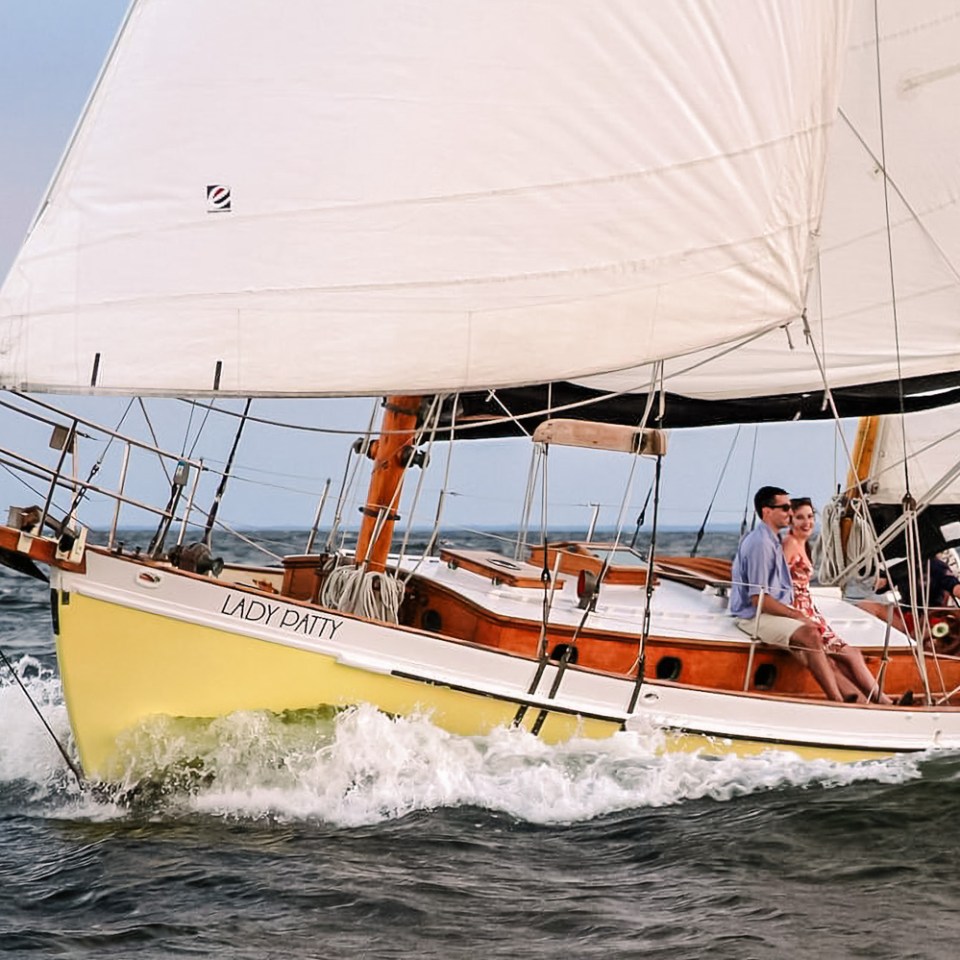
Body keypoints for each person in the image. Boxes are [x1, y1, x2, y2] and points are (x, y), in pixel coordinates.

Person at [730, 486, 845, 702]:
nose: (790, 513)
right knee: (810, 635)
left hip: (769, 612)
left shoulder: (771, 539)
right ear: (767, 512)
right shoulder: (761, 544)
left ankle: (855, 698)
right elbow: (758, 599)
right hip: (752, 616)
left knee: (816, 640)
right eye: (784, 508)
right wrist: (796, 615)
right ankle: (837, 700)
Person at [783, 497, 893, 704]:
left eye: (810, 517)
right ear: (790, 520)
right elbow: (778, 581)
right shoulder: (790, 544)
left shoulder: (802, 544)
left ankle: (869, 701)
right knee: (850, 655)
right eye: (800, 518)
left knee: (845, 658)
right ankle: (883, 701)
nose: (807, 522)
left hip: (810, 610)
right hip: (800, 612)